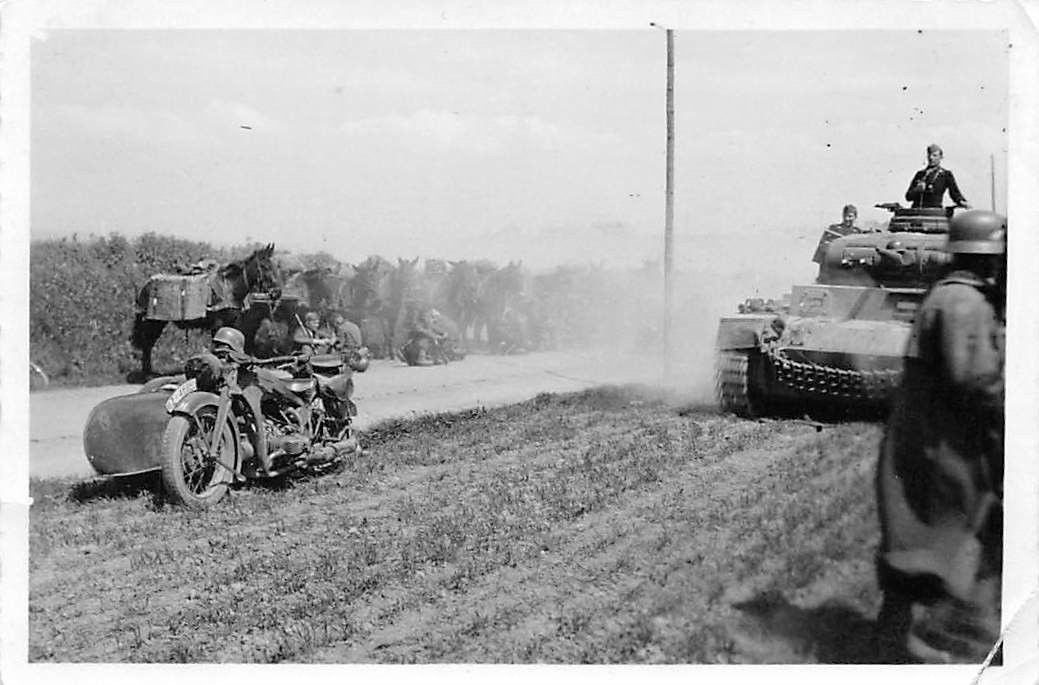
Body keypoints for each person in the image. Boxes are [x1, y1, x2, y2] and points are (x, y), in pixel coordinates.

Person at [874, 209, 1005, 663]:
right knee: (962, 529)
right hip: (946, 441)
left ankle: (910, 634)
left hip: (932, 435)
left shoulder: (949, 296)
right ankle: (971, 629)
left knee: (922, 534)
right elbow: (976, 380)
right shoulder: (964, 304)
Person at [905, 144, 971, 209]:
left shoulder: (946, 174)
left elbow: (955, 193)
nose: (931, 158)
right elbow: (908, 197)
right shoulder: (920, 174)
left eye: (935, 155)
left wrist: (962, 202)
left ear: (941, 157)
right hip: (917, 212)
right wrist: (917, 190)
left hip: (935, 213)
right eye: (929, 155)